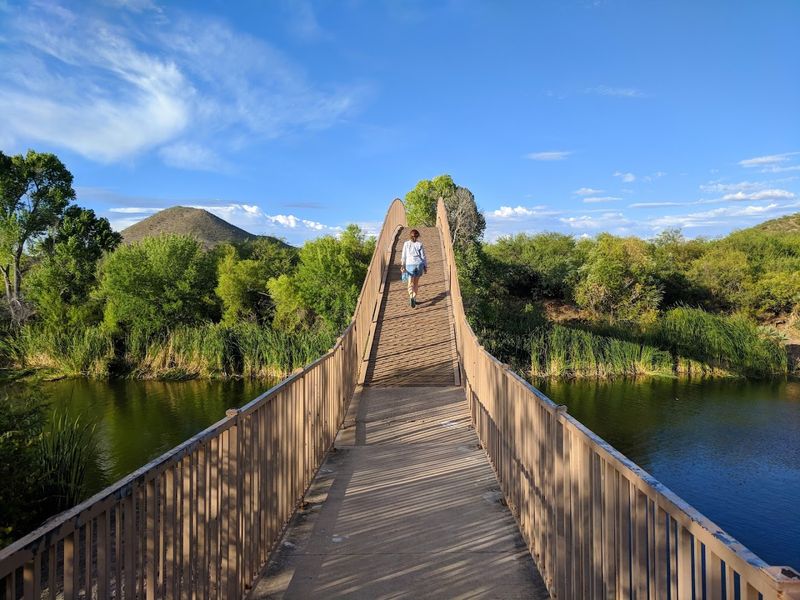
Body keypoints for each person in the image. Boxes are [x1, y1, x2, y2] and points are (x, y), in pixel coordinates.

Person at [401, 228, 427, 308]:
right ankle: (414, 298)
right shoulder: (420, 244)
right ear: (417, 236)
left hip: (410, 265)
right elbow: (423, 257)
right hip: (419, 264)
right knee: (416, 283)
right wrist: (425, 266)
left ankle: (411, 296)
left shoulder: (406, 244)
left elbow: (404, 256)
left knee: (410, 283)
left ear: (410, 236)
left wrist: (402, 265)